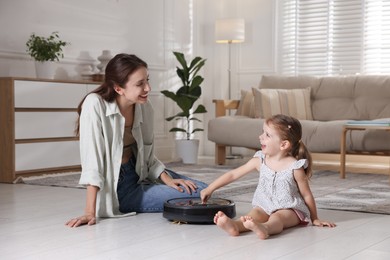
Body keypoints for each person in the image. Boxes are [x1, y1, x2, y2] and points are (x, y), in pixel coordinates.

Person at [66, 53, 207, 228]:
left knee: (205, 189)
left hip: (141, 172)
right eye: (140, 84)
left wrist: (167, 179)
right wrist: (90, 211)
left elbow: (147, 155)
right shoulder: (94, 104)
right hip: (120, 189)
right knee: (200, 194)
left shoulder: (144, 107)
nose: (148, 88)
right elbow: (92, 162)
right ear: (118, 88)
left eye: (147, 80)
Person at [200, 114, 336, 239]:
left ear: (284, 144)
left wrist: (315, 218)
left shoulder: (295, 167)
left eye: (267, 135)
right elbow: (233, 174)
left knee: (278, 218)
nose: (261, 137)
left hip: (289, 209)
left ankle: (265, 228)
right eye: (263, 132)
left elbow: (307, 195)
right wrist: (210, 188)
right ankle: (235, 226)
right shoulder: (260, 160)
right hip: (264, 205)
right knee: (254, 215)